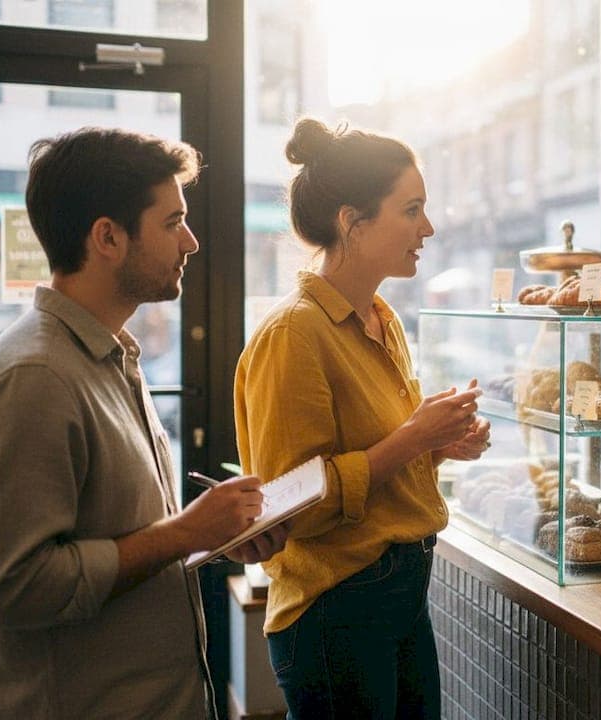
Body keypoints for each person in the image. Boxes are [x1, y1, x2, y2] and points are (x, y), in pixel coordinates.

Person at [0, 127, 288, 719]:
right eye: (170, 222)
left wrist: (212, 533)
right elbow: (13, 588)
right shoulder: (34, 377)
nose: (191, 241)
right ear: (107, 237)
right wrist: (184, 533)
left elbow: (117, 539)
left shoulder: (107, 356)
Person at [234, 117, 490, 719]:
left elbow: (378, 449)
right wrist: (413, 437)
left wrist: (438, 442)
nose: (427, 227)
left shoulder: (381, 318)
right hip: (335, 611)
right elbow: (292, 501)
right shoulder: (293, 333)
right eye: (412, 210)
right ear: (352, 221)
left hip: (401, 592)